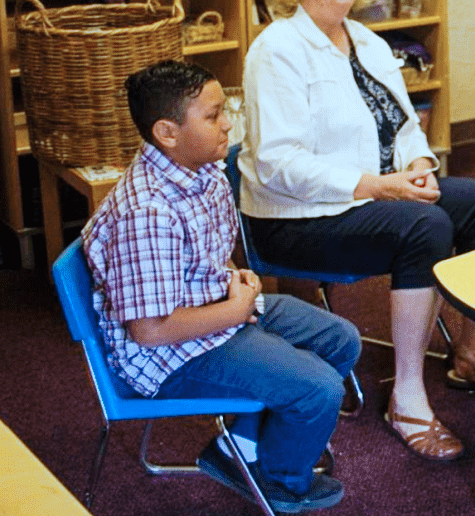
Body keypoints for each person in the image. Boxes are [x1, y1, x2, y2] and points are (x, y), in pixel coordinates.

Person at [238, 0, 475, 462]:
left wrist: (420, 164)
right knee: (425, 225)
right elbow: (276, 163)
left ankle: (472, 354)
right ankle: (407, 396)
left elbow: (405, 123)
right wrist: (377, 185)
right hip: (296, 219)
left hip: (373, 193)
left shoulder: (366, 40)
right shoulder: (277, 50)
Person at [83, 61, 361, 513]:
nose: (227, 122)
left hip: (215, 306)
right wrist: (235, 311)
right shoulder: (147, 212)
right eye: (213, 116)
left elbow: (210, 250)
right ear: (167, 133)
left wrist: (236, 276)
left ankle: (240, 447)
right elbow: (149, 332)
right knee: (320, 389)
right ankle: (278, 479)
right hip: (169, 354)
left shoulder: (202, 166)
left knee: (340, 339)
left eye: (223, 110)